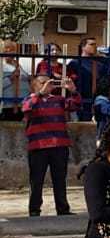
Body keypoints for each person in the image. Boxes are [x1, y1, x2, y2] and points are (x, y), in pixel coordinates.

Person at [24, 74, 81, 217]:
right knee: (36, 180)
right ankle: (34, 209)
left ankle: (62, 209)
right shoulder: (30, 99)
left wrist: (73, 90)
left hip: (59, 145)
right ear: (34, 85)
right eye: (42, 82)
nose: (47, 85)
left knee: (60, 178)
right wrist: (40, 94)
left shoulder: (58, 100)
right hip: (38, 146)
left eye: (48, 83)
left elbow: (75, 105)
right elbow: (27, 109)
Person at [66, 37, 110, 122]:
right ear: (83, 47)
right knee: (82, 125)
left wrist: (109, 54)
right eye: (91, 44)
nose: (94, 47)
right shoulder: (75, 63)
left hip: (97, 99)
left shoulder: (100, 63)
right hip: (81, 99)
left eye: (95, 45)